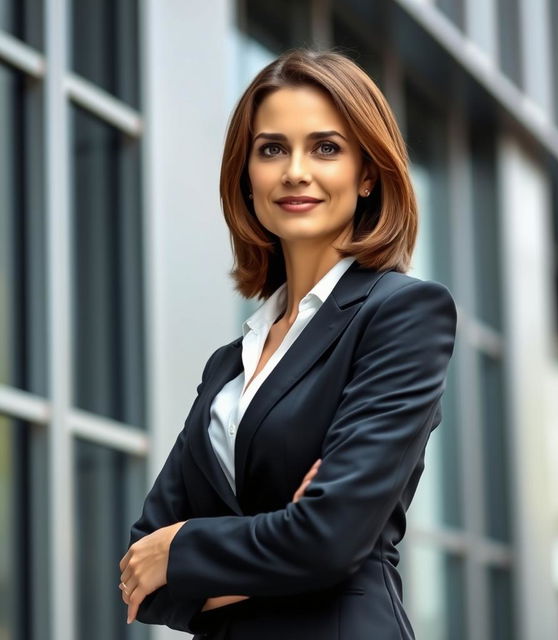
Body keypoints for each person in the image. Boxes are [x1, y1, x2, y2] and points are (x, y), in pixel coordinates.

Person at [118, 47, 457, 640]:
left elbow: (330, 536)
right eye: (272, 149)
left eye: (326, 148)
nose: (295, 171)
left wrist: (186, 546)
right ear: (247, 175)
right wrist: (285, 539)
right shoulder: (231, 362)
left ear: (368, 172)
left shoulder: (402, 313)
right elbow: (140, 571)